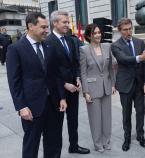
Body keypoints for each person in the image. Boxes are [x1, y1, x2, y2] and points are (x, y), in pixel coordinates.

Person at [6, 12, 67, 158]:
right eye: (43, 27)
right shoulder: (16, 49)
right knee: (31, 145)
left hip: (53, 104)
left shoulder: (49, 47)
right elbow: (14, 81)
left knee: (54, 142)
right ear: (31, 26)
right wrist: (21, 107)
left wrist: (62, 98)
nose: (47, 30)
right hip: (32, 108)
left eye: (47, 27)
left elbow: (56, 75)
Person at [45, 10, 90, 154]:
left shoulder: (70, 39)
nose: (67, 24)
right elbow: (48, 70)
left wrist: (77, 77)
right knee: (57, 124)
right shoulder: (47, 42)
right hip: (57, 91)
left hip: (74, 87)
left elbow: (75, 62)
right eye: (64, 22)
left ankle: (74, 146)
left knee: (73, 120)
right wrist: (65, 84)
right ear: (55, 23)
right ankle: (55, 152)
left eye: (67, 21)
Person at [111, 18, 145, 151]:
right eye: (125, 30)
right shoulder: (116, 45)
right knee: (126, 113)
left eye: (130, 28)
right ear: (119, 30)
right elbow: (123, 59)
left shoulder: (140, 42)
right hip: (125, 85)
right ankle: (127, 138)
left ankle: (140, 135)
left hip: (140, 84)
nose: (129, 32)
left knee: (140, 111)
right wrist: (140, 58)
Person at [80, 23, 116, 153]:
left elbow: (111, 68)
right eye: (94, 33)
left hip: (106, 86)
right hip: (92, 89)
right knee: (95, 118)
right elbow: (83, 72)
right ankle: (97, 143)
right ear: (89, 36)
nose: (98, 35)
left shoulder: (107, 47)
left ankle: (106, 141)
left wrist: (113, 84)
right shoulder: (84, 50)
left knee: (107, 117)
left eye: (99, 32)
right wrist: (85, 92)